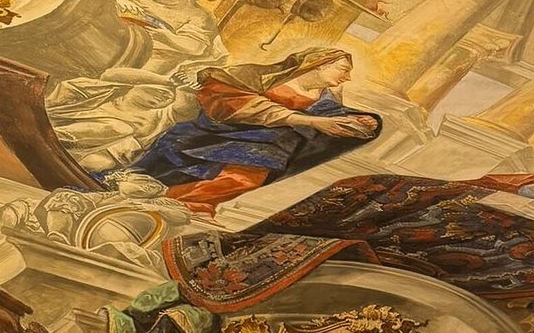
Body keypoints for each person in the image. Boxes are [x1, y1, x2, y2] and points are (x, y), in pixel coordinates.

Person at [127, 47, 381, 215]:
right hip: (226, 132)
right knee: (191, 160)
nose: (346, 77)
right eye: (343, 70)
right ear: (321, 64)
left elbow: (328, 117)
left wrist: (360, 121)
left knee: (243, 181)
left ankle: (175, 202)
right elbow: (239, 103)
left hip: (268, 147)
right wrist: (307, 121)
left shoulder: (328, 95)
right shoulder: (269, 77)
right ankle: (162, 197)